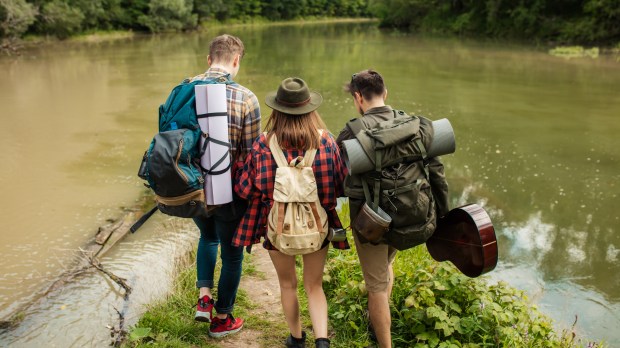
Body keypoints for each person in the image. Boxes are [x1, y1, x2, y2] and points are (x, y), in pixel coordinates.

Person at [335, 69, 449, 348]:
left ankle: (384, 342)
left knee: (375, 286)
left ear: (358, 97)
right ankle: (380, 320)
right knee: (387, 267)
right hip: (412, 214)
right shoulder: (415, 124)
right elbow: (437, 173)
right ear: (385, 93)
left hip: (373, 222)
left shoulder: (353, 131)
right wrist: (444, 217)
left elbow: (339, 179)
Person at [234, 77, 349, 348]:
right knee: (315, 286)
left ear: (277, 110)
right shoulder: (327, 141)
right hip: (317, 226)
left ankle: (296, 339)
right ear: (310, 109)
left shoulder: (264, 144)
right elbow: (341, 184)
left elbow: (246, 189)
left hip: (278, 229)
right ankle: (322, 341)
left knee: (288, 285)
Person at [190, 34, 261, 338]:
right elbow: (251, 153)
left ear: (209, 60)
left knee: (207, 237)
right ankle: (223, 318)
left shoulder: (184, 89)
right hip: (229, 190)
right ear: (236, 60)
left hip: (192, 187)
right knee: (232, 254)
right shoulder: (246, 97)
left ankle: (204, 298)